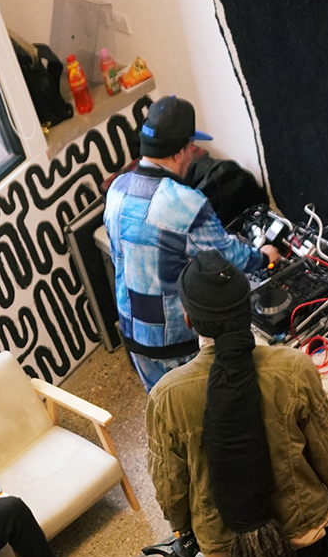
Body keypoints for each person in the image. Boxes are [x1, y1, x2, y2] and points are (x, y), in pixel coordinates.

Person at [147, 250, 328, 557]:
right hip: (301, 524)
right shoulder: (293, 367)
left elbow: (170, 483)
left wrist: (184, 527)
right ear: (249, 307)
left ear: (189, 319)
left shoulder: (167, 395)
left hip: (226, 537)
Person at [103, 95, 279, 392]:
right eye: (192, 148)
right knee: (195, 409)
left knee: (162, 407)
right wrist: (263, 257)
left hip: (133, 335)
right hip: (174, 344)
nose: (194, 154)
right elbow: (228, 257)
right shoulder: (184, 203)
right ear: (178, 152)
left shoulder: (117, 189)